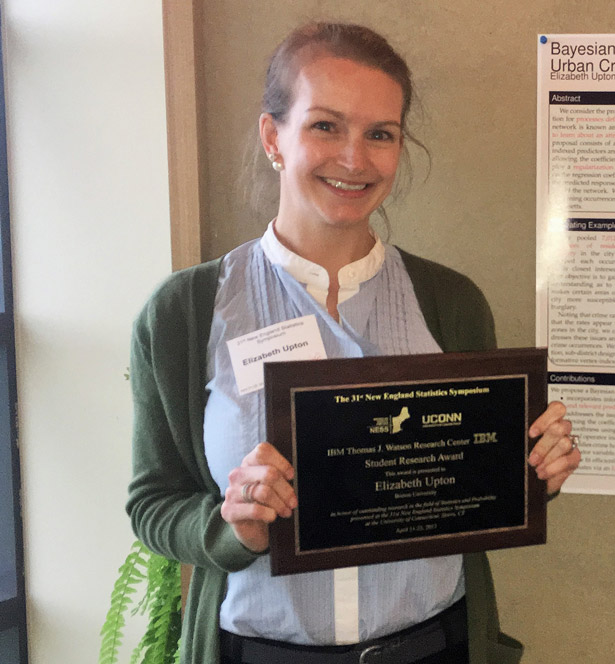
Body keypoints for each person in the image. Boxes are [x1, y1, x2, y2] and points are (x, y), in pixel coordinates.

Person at [126, 21, 581, 664]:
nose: (354, 159)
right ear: (273, 137)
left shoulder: (450, 303)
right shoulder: (186, 312)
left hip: (434, 647)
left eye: (380, 134)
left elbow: (474, 474)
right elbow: (153, 501)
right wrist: (232, 527)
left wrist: (536, 470)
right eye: (325, 126)